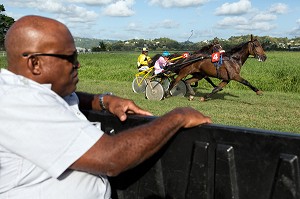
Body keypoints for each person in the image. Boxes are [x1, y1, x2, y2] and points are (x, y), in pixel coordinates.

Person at [0, 15, 212, 199]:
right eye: (70, 57)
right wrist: (178, 116)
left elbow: (61, 96)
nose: (78, 64)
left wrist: (102, 101)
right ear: (35, 63)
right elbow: (111, 158)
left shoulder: (26, 90)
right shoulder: (21, 102)